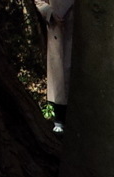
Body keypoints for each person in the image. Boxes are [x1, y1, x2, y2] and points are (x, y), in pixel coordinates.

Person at [35, 0, 75, 134]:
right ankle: (59, 120)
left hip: (78, 30)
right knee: (59, 77)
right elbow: (39, 1)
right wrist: (50, 13)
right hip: (56, 29)